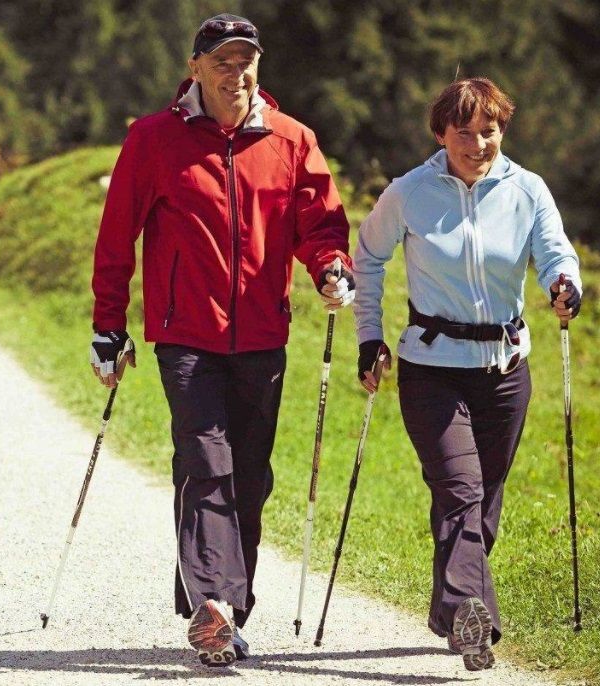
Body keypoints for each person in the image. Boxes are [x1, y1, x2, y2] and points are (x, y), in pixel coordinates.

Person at [89, 13, 356, 667]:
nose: (235, 74)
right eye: (221, 62)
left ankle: (228, 614)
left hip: (262, 336)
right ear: (195, 69)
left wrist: (331, 268)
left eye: (245, 61)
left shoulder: (292, 140)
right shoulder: (154, 139)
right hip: (185, 335)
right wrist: (108, 324)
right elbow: (117, 234)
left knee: (249, 477)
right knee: (205, 461)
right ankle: (213, 601)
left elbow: (320, 224)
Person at [353, 77, 582, 671]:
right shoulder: (409, 192)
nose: (479, 144)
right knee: (461, 490)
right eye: (465, 132)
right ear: (440, 134)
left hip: (506, 370)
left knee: (483, 503)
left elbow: (555, 251)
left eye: (490, 130)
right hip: (432, 369)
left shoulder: (527, 189)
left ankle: (449, 610)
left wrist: (564, 283)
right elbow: (368, 257)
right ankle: (471, 616)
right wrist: (370, 335)